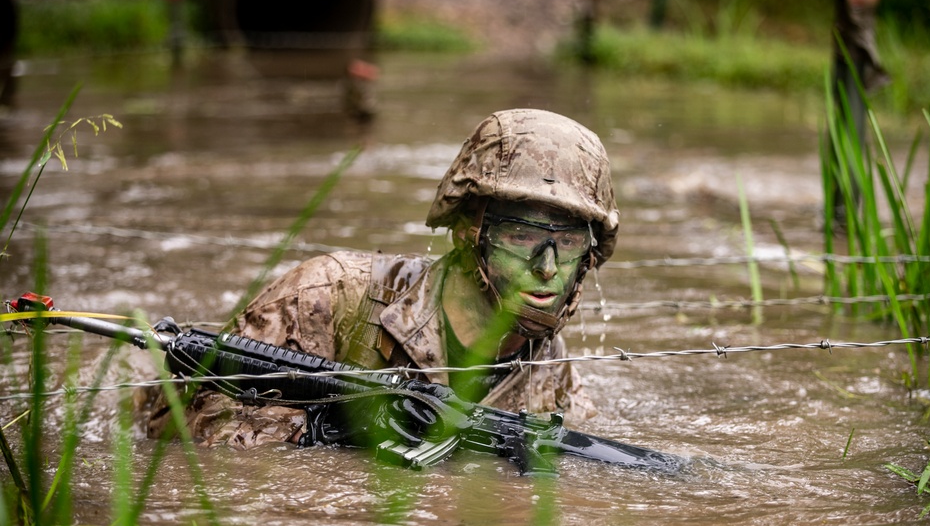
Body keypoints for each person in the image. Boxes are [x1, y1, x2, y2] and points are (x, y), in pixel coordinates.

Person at [142, 108, 620, 449]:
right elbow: (196, 431)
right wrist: (327, 433)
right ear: (467, 231)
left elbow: (582, 452)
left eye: (572, 241)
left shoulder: (547, 363)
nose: (547, 268)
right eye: (521, 234)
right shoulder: (329, 296)